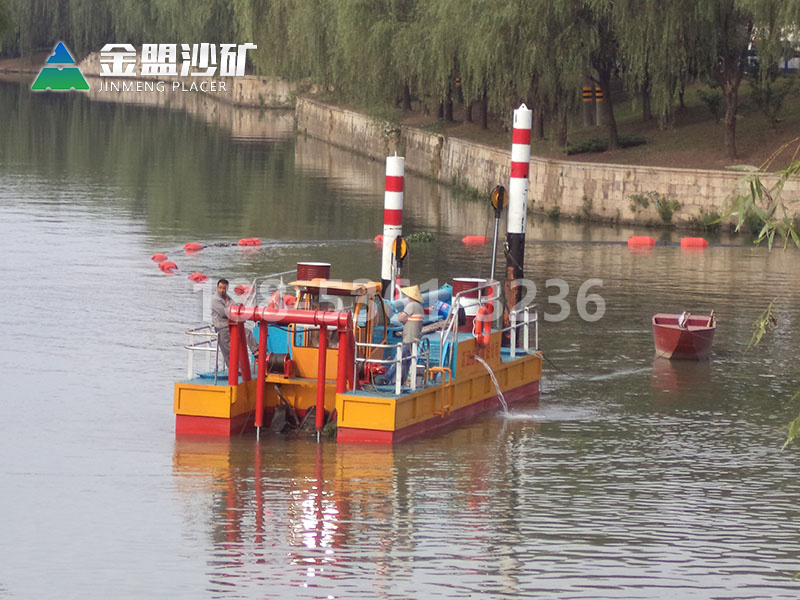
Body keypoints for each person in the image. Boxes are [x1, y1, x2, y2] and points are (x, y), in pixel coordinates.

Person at [377, 285, 424, 388]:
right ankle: (401, 382)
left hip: (408, 339)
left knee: (398, 359)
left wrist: (403, 318)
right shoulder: (420, 307)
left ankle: (386, 379)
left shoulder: (411, 305)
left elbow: (400, 318)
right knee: (406, 361)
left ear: (411, 296)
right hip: (415, 339)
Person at [212, 278, 258, 368]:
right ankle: (233, 370)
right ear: (217, 287)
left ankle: (256, 350)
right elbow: (224, 313)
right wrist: (231, 308)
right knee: (227, 350)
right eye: (220, 288)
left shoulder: (226, 297)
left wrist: (237, 307)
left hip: (231, 325)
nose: (222, 290)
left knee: (247, 332)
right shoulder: (215, 300)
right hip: (222, 327)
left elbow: (234, 305)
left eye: (224, 288)